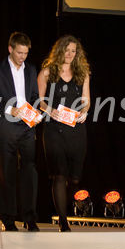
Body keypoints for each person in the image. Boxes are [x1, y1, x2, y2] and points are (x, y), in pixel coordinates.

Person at [0, 32, 40, 232]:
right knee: (7, 173)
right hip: (5, 124)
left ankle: (30, 217)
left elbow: (34, 95)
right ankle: (8, 219)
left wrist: (34, 112)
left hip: (26, 125)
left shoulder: (31, 70)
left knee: (30, 171)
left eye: (25, 53)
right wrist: (9, 109)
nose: (22, 56)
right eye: (19, 52)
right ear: (10, 49)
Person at [37, 35, 90, 232]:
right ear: (59, 50)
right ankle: (63, 220)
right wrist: (49, 110)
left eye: (73, 51)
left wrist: (84, 112)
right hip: (54, 129)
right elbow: (38, 100)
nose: (69, 54)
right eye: (66, 50)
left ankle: (63, 210)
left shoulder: (82, 73)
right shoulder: (47, 72)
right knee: (59, 175)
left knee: (74, 179)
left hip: (76, 129)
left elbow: (87, 100)